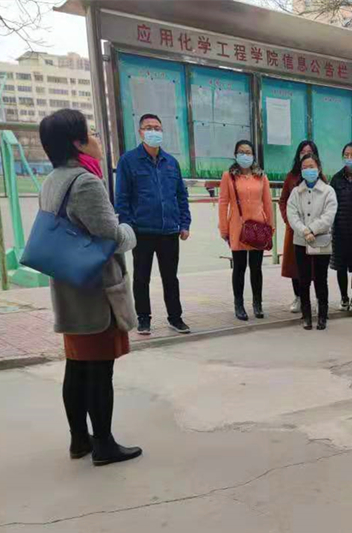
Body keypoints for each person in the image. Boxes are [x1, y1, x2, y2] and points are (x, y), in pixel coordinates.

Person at [39, 109, 141, 466]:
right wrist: (130, 230)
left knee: (78, 365)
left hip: (69, 288)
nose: (96, 138)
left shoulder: (52, 180)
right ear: (78, 143)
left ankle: (79, 440)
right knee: (99, 369)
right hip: (96, 293)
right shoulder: (85, 182)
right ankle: (104, 445)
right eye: (91, 132)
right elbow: (110, 236)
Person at [116, 113, 191, 336]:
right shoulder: (128, 161)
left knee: (171, 277)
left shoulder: (171, 163)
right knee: (141, 278)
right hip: (142, 231)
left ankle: (175, 318)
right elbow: (122, 197)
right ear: (140, 132)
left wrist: (184, 223)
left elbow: (181, 195)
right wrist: (128, 226)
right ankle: (143, 319)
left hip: (169, 230)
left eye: (157, 128)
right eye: (149, 127)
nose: (153, 131)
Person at [218, 140, 275, 321]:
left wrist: (271, 227)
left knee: (256, 268)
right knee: (239, 267)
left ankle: (257, 304)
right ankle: (239, 304)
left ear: (253, 155)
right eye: (241, 152)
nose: (245, 155)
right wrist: (224, 228)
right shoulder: (228, 176)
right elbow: (223, 203)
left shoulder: (261, 176)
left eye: (248, 152)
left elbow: (267, 203)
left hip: (258, 227)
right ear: (235, 155)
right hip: (237, 227)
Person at [287, 153, 338, 331]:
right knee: (303, 279)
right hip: (301, 242)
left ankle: (322, 315)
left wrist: (312, 230)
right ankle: (307, 316)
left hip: (321, 241)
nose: (308, 170)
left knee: (321, 279)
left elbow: (329, 216)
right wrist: (304, 231)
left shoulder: (328, 191)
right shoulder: (296, 192)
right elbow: (292, 215)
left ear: (318, 168)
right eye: (305, 167)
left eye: (311, 167)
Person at [280, 140, 320, 314]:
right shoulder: (291, 177)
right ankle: (298, 297)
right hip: (295, 229)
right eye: (302, 152)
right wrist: (289, 220)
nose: (305, 154)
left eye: (309, 151)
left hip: (315, 232)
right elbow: (283, 201)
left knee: (315, 266)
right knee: (295, 266)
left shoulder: (320, 178)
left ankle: (318, 298)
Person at [330, 142, 352, 313]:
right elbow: (331, 204)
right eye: (346, 155)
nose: (349, 158)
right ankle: (344, 297)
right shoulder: (336, 179)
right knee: (341, 266)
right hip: (340, 230)